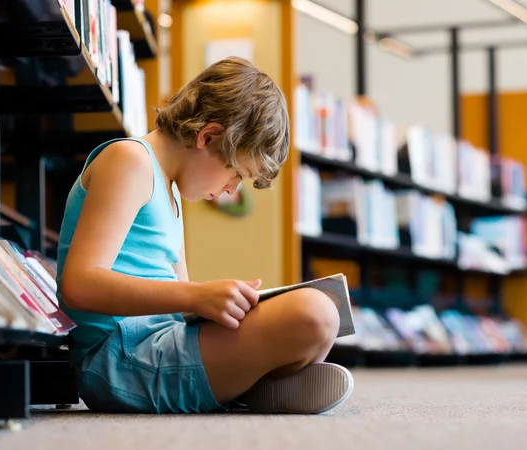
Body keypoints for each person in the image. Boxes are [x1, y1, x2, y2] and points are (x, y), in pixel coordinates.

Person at [56, 57, 354, 414]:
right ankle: (251, 385)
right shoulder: (129, 160)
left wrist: (215, 306)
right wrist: (197, 296)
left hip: (157, 344)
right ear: (208, 136)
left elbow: (176, 305)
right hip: (118, 359)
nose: (231, 190)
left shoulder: (171, 192)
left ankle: (246, 385)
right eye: (235, 174)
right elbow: (78, 284)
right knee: (314, 313)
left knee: (323, 313)